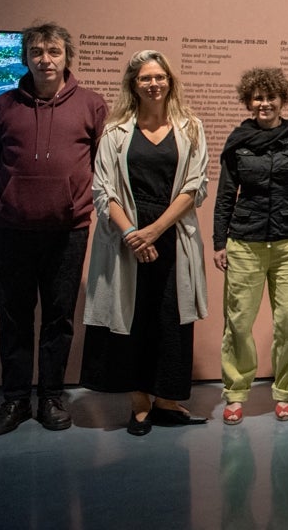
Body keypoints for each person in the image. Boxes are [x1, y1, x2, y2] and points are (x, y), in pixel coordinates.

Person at [81, 50, 209, 436]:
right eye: (144, 79)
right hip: (127, 238)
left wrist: (155, 231)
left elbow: (195, 187)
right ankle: (139, 402)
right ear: (133, 85)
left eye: (159, 77)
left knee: (171, 316)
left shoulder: (191, 128)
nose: (153, 84)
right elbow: (103, 190)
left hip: (173, 236)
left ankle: (167, 400)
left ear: (170, 81)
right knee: (132, 316)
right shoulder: (117, 131)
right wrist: (133, 235)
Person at [0, 22, 107, 435]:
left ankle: (51, 397)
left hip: (68, 229)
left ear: (67, 57)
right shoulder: (4, 106)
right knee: (13, 318)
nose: (46, 59)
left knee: (59, 318)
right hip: (11, 230)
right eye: (38, 51)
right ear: (26, 57)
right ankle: (14, 400)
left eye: (54, 51)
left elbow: (104, 164)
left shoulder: (92, 105)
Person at [213, 67, 288, 425]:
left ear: (282, 100)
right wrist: (219, 241)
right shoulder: (238, 140)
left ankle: (285, 391)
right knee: (238, 321)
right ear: (249, 101)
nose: (264, 104)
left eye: (270, 97)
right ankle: (235, 391)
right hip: (244, 241)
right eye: (258, 97)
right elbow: (226, 194)